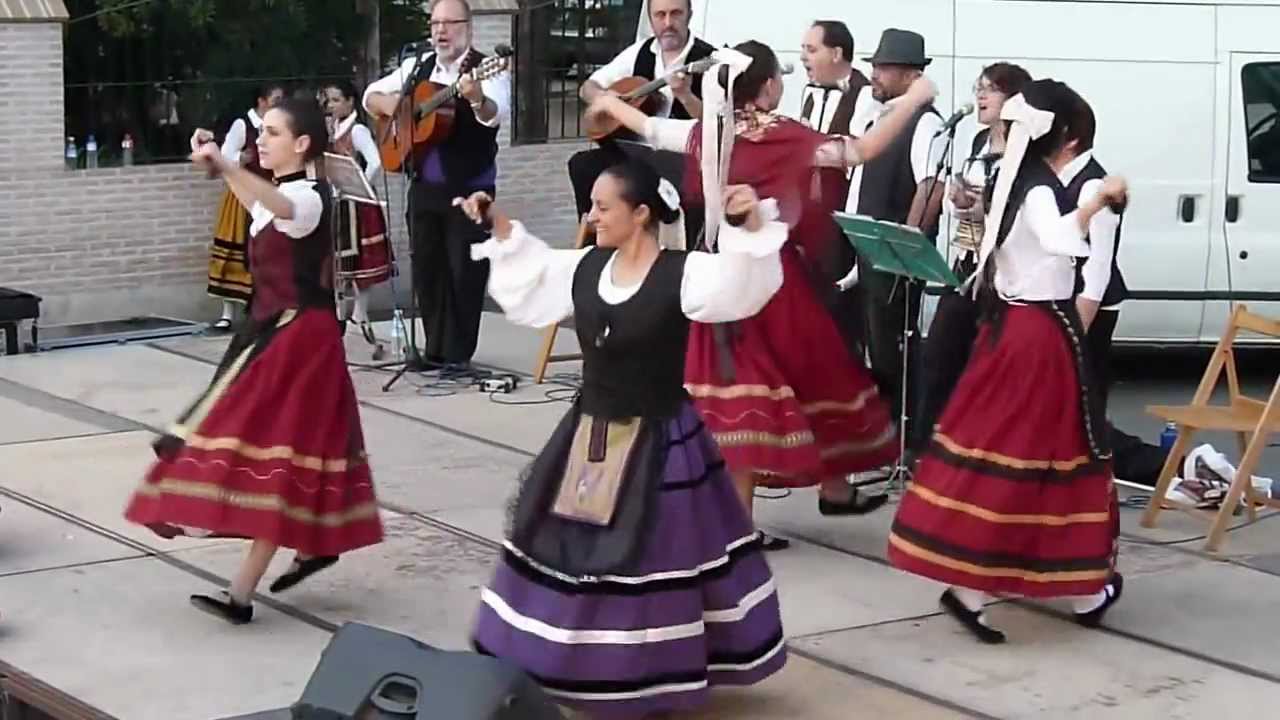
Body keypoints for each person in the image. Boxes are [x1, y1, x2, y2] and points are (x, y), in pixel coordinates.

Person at [464, 165, 787, 717]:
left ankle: (644, 672)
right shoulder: (584, 268)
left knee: (648, 561)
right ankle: (570, 661)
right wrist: (495, 220)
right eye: (592, 205)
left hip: (660, 440)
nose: (591, 216)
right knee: (575, 553)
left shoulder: (684, 274)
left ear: (641, 214)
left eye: (603, 206)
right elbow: (531, 270)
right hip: (589, 436)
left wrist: (750, 221)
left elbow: (744, 284)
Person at [585, 41, 937, 547]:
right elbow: (860, 150)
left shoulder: (709, 133)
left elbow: (648, 127)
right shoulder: (786, 134)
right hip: (772, 277)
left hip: (717, 272)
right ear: (770, 85)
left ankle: (829, 490)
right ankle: (741, 526)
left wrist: (605, 98)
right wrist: (912, 100)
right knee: (784, 381)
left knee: (765, 384)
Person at [124, 97, 384, 625]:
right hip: (273, 334)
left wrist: (227, 161)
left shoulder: (311, 195)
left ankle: (247, 590)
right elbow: (257, 201)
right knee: (279, 454)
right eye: (261, 133)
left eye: (271, 133)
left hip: (300, 341)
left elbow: (282, 209)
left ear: (302, 143)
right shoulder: (282, 193)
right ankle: (283, 566)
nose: (261, 141)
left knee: (274, 454)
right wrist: (224, 166)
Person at [887, 79, 1129, 643]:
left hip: (1017, 329)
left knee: (1026, 453)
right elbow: (1062, 241)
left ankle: (1067, 587)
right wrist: (1099, 200)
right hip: (1038, 333)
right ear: (1065, 135)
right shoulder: (1041, 188)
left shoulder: (1012, 179)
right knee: (1042, 455)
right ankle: (1043, 586)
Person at [363, 0, 511, 372]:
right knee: (428, 269)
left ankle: (458, 355)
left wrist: (477, 98)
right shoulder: (418, 66)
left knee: (464, 271)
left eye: (450, 23)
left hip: (470, 188)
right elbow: (370, 96)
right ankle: (434, 349)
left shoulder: (486, 69)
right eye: (435, 24)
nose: (442, 31)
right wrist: (396, 103)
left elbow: (495, 114)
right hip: (425, 185)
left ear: (468, 27)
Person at [912, 62, 1032, 454]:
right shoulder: (980, 142)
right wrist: (959, 200)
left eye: (991, 90)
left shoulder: (1026, 150)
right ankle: (925, 447)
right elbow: (966, 201)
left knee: (990, 365)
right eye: (978, 88)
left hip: (1003, 269)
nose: (980, 97)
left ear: (1014, 98)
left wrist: (983, 209)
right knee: (940, 350)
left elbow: (1021, 210)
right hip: (967, 260)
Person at [846, 29, 946, 457]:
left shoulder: (925, 123)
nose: (875, 74)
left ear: (909, 74)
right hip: (871, 250)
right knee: (877, 349)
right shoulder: (882, 117)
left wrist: (906, 244)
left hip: (896, 255)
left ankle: (908, 443)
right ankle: (886, 438)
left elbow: (930, 186)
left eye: (883, 68)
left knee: (897, 352)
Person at [569, 0, 715, 241]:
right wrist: (605, 98)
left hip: (682, 160)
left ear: (690, 14)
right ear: (650, 18)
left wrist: (686, 96)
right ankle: (594, 242)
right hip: (635, 152)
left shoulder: (708, 58)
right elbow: (587, 87)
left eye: (676, 14)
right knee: (583, 164)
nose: (668, 23)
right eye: (660, 15)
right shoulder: (640, 52)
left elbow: (713, 123)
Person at [799, 19, 872, 360]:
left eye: (811, 50)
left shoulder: (866, 94)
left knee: (838, 312)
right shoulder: (810, 91)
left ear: (837, 52)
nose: (803, 58)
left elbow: (856, 153)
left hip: (842, 218)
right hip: (808, 215)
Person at [207, 83, 285, 330]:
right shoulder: (243, 125)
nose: (280, 102)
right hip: (242, 196)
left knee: (268, 251)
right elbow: (224, 155)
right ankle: (228, 313)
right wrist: (241, 159)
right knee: (235, 250)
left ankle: (265, 308)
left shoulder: (279, 125)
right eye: (276, 98)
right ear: (261, 101)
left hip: (269, 194)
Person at [323, 79, 392, 349]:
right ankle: (343, 317)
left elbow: (376, 161)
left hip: (358, 203)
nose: (331, 105)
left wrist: (358, 182)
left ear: (351, 101)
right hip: (339, 202)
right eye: (329, 101)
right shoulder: (334, 129)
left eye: (337, 100)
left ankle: (360, 314)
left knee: (361, 261)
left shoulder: (358, 130)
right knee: (341, 261)